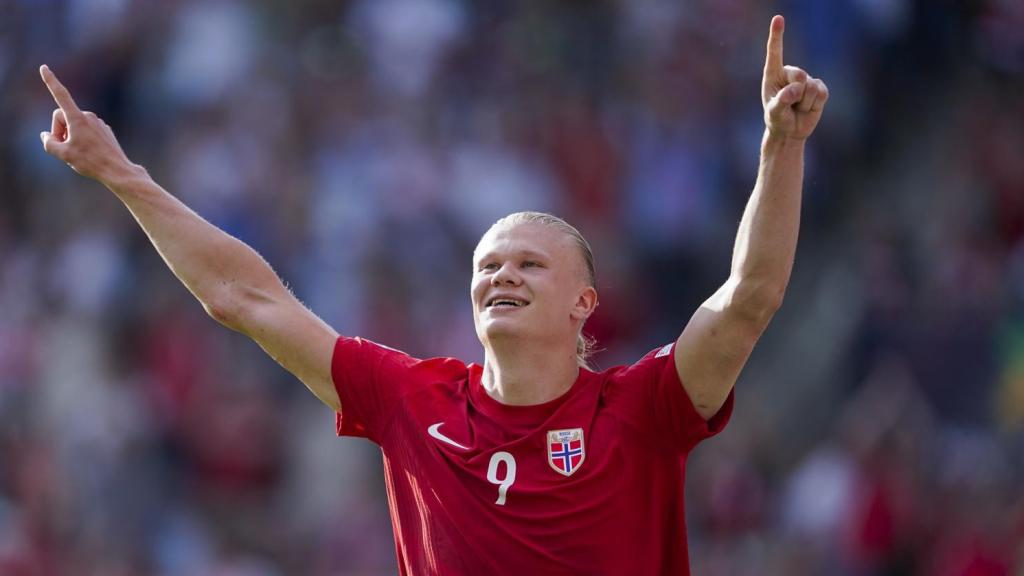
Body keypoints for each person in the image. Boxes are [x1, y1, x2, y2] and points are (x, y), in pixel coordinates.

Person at [38, 14, 827, 575]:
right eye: (487, 265)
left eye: (528, 265)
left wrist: (781, 146)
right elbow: (245, 298)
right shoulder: (413, 402)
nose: (501, 275)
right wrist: (123, 175)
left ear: (586, 303)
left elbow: (749, 297)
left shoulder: (644, 408)